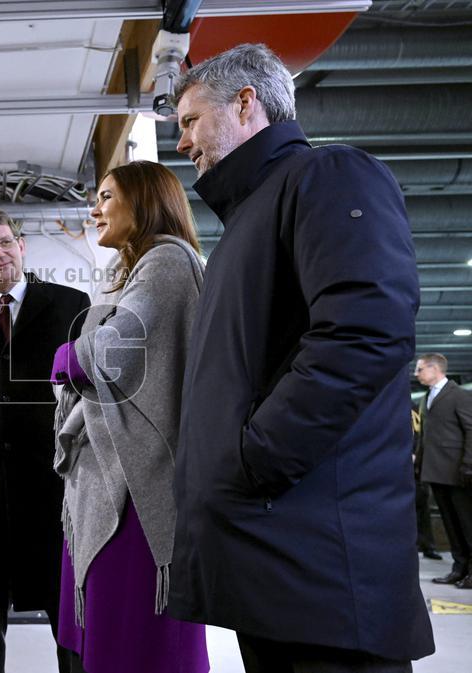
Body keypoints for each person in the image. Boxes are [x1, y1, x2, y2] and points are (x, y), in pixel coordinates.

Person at [168, 44, 435, 672]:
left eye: (188, 121)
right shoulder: (251, 216)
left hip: (320, 566)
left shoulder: (328, 175)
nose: (182, 143)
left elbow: (365, 332)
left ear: (245, 103)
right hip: (274, 553)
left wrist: (256, 456)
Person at [49, 161, 208, 673]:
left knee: (134, 640)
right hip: (116, 478)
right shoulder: (148, 266)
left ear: (142, 203)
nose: (94, 209)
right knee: (118, 635)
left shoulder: (165, 261)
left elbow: (113, 352)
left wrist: (65, 357)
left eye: (106, 197)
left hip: (137, 489)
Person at [0, 210, 90, 673]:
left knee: (63, 603)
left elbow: (85, 390)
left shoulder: (71, 304)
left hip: (50, 479)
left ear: (22, 246)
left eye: (6, 242)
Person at [414, 353, 472, 588]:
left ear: (434, 368)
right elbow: (425, 436)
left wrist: (469, 464)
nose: (416, 374)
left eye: (419, 369)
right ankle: (459, 569)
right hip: (437, 473)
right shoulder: (427, 398)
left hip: (459, 473)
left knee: (467, 524)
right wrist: (419, 465)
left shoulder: (459, 396)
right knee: (451, 525)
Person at [412, 405, 443, 560]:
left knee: (422, 505)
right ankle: (423, 545)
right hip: (405, 462)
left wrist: (416, 455)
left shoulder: (415, 409)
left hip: (415, 464)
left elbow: (420, 434)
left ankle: (426, 545)